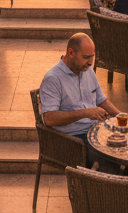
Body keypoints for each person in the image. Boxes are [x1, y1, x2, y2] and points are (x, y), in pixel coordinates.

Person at [38, 34, 121, 170]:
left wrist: (122, 116)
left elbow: (102, 100)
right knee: (109, 159)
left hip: (94, 132)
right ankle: (110, 188)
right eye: (86, 57)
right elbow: (49, 119)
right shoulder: (53, 79)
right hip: (72, 141)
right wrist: (86, 113)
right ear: (71, 53)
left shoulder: (87, 71)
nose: (90, 62)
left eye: (92, 56)